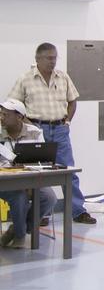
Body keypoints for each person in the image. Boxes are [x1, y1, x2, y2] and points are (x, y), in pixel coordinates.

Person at [8, 42, 96, 224]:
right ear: (37, 59)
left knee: (68, 171)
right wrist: (28, 124)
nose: (53, 61)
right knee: (37, 173)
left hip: (59, 130)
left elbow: (73, 101)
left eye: (55, 57)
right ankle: (42, 213)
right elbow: (12, 106)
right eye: (49, 58)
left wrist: (67, 121)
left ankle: (78, 211)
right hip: (35, 131)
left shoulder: (62, 77)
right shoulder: (25, 79)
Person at [0, 98, 58, 248]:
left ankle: (19, 229)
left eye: (5, 115)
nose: (1, 117)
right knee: (19, 197)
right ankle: (19, 235)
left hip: (31, 179)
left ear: (19, 117)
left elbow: (44, 159)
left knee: (49, 197)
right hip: (5, 183)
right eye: (1, 114)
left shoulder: (35, 132)